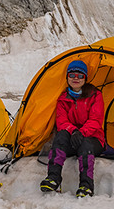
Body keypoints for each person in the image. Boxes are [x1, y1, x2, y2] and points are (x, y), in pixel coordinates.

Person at [39, 60, 104, 198]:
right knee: (61, 136)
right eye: (72, 75)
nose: (76, 78)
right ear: (67, 77)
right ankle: (53, 178)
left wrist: (81, 132)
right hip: (72, 136)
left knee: (86, 144)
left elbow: (95, 120)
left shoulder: (95, 95)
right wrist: (73, 131)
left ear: (85, 78)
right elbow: (61, 121)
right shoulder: (63, 99)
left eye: (80, 76)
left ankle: (86, 186)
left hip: (93, 139)